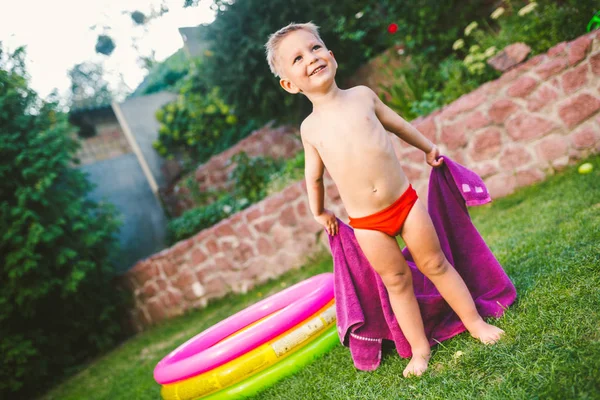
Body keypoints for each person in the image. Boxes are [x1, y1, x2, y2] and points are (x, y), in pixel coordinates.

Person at [265, 22, 504, 377]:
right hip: (367, 224)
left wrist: (427, 148)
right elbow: (313, 177)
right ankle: (419, 351)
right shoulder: (310, 129)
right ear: (289, 84)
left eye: (315, 48)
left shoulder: (362, 96)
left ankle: (475, 323)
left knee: (435, 264)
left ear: (331, 56)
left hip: (405, 204)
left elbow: (399, 125)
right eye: (298, 58)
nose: (311, 58)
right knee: (396, 282)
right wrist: (319, 212)